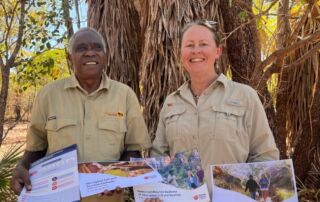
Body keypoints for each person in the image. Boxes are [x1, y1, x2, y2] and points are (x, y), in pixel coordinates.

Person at [10, 27, 152, 202]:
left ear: (106, 56)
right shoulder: (48, 95)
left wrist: (116, 177)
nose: (90, 53)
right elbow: (36, 149)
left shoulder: (125, 95)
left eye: (97, 47)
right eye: (81, 48)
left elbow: (134, 150)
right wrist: (22, 166)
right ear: (70, 58)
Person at [150, 19, 279, 200]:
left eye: (203, 44)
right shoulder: (171, 102)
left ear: (217, 51)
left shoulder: (245, 96)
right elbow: (159, 157)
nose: (196, 51)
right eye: (189, 45)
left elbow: (265, 156)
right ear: (181, 53)